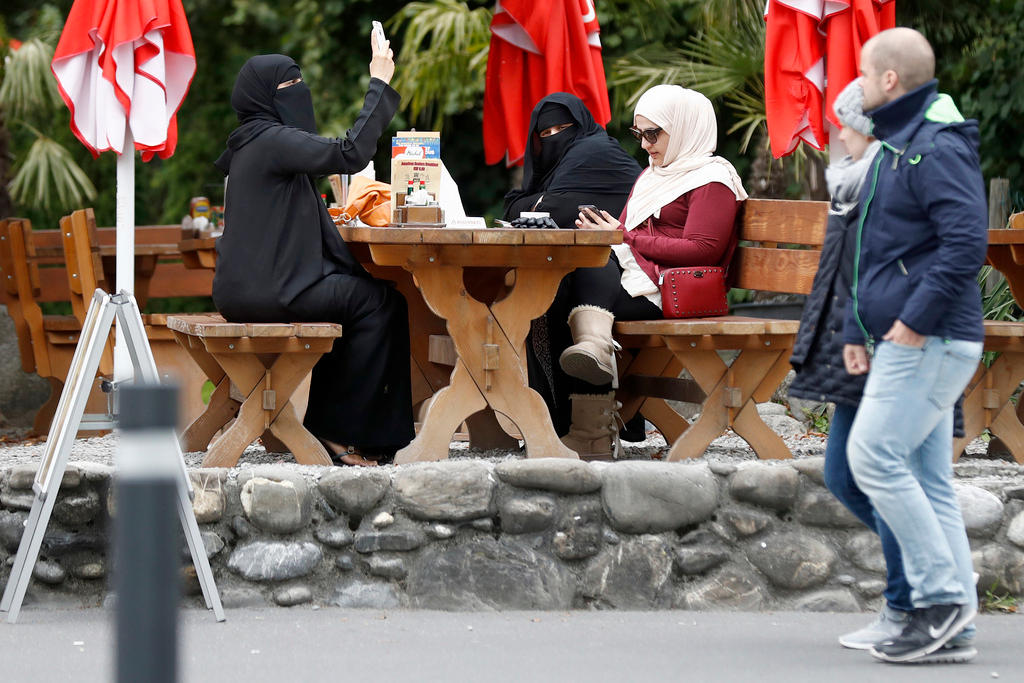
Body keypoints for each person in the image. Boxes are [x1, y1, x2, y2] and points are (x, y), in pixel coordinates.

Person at [842, 27, 986, 664]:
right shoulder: (902, 145)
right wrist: (857, 328)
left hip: (931, 338)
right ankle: (957, 623)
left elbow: (965, 246)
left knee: (872, 456)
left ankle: (941, 600)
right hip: (909, 336)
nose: (862, 86)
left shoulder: (934, 147)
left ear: (890, 81)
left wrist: (914, 322)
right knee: (926, 477)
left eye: (867, 76)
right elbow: (876, 252)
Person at [212, 38, 413, 466]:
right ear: (265, 97)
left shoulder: (245, 145)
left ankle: (333, 427)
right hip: (275, 292)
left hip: (243, 291)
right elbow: (349, 153)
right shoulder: (272, 140)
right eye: (290, 84)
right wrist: (379, 82)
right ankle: (337, 433)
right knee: (381, 303)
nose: (299, 90)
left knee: (356, 299)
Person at [563, 85, 747, 459]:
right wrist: (615, 237)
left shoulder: (712, 180)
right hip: (636, 278)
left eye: (653, 134)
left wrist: (623, 237)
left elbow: (702, 249)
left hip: (671, 291)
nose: (645, 145)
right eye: (639, 134)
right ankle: (586, 413)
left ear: (684, 129)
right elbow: (625, 239)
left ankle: (592, 431)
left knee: (583, 273)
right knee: (566, 281)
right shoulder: (654, 174)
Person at [503, 93, 642, 435]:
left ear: (579, 126)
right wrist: (539, 203)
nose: (553, 139)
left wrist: (536, 203)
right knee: (545, 289)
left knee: (549, 292)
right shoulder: (567, 161)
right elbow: (529, 208)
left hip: (632, 271)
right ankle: (564, 424)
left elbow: (548, 210)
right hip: (597, 265)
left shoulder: (593, 151)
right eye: (544, 135)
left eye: (562, 129)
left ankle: (575, 425)